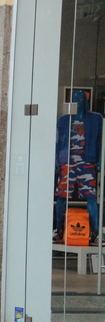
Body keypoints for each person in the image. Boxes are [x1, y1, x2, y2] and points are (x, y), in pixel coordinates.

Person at [55, 89, 103, 243]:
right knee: (61, 197)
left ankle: (95, 233)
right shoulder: (64, 120)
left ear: (86, 99)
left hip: (87, 161)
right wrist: (55, 161)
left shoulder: (96, 119)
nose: (78, 99)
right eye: (75, 97)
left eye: (81, 97)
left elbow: (101, 141)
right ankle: (58, 230)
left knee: (91, 197)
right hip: (66, 162)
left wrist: (101, 160)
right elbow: (57, 142)